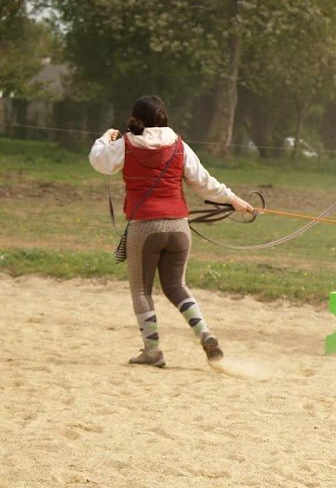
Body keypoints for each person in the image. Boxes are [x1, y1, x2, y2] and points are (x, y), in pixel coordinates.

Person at [89, 95, 253, 368]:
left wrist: (106, 137)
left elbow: (99, 161)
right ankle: (205, 334)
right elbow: (205, 183)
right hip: (178, 226)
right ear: (163, 117)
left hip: (145, 227)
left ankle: (152, 352)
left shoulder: (125, 144)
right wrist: (234, 200)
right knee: (176, 286)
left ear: (136, 117)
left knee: (142, 290)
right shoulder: (179, 145)